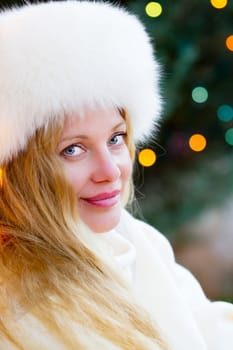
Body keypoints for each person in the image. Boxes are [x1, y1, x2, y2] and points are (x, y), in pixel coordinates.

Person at [0, 1, 232, 349]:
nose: (110, 171)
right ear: (20, 166)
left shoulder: (136, 238)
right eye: (73, 149)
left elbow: (209, 326)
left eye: (116, 138)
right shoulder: (17, 303)